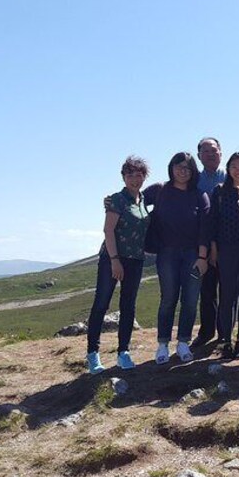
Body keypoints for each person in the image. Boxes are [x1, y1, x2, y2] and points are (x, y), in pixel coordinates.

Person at [86, 156, 151, 374]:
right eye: (130, 174)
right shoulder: (117, 200)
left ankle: (123, 352)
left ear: (144, 176)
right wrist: (114, 261)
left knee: (128, 306)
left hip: (136, 259)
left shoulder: (143, 200)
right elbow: (108, 230)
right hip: (112, 258)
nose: (134, 179)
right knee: (101, 304)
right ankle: (93, 354)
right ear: (123, 177)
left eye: (139, 174)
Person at [144, 152, 211, 365]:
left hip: (193, 254)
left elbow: (205, 229)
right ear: (171, 168)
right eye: (178, 166)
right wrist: (112, 201)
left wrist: (203, 257)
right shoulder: (159, 190)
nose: (182, 171)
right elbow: (135, 200)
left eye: (187, 168)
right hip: (167, 253)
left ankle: (183, 342)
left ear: (193, 172)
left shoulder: (200, 195)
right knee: (168, 299)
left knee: (190, 301)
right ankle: (163, 343)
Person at [209, 152, 239, 360]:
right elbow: (212, 222)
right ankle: (226, 341)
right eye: (234, 166)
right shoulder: (220, 191)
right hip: (226, 250)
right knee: (226, 296)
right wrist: (213, 250)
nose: (238, 170)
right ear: (228, 169)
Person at [193, 137, 227, 348]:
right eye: (205, 152)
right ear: (199, 156)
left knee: (228, 290)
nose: (210, 154)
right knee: (206, 290)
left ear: (221, 152)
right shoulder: (194, 180)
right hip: (203, 243)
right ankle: (206, 332)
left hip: (230, 242)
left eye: (214, 151)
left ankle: (224, 333)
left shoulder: (231, 174)